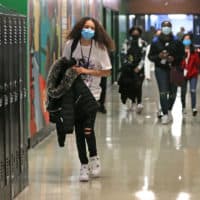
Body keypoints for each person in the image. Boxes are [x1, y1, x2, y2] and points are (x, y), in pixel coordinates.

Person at [62, 17, 114, 182]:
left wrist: (86, 71)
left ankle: (94, 157)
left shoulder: (100, 47)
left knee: (87, 128)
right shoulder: (71, 45)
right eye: (86, 27)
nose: (88, 30)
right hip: (74, 94)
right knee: (78, 130)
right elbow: (63, 66)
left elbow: (107, 72)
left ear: (96, 30)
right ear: (80, 28)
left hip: (93, 94)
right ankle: (83, 165)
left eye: (92, 28)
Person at [148, 21, 185, 124]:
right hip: (161, 69)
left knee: (173, 92)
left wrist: (174, 58)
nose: (166, 28)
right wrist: (159, 57)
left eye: (168, 26)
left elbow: (183, 55)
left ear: (171, 28)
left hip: (175, 68)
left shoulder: (177, 41)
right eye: (164, 26)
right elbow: (150, 56)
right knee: (163, 91)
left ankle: (169, 109)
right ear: (161, 28)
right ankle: (164, 114)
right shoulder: (156, 41)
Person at [119, 26, 147, 113]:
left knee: (138, 85)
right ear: (130, 32)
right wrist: (127, 64)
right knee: (131, 85)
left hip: (139, 68)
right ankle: (132, 101)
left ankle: (139, 102)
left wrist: (139, 67)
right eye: (133, 31)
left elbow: (144, 56)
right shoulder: (127, 42)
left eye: (137, 31)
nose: (135, 33)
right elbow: (123, 54)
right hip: (129, 68)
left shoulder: (143, 43)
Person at [180, 33, 200, 116]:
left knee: (193, 90)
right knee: (183, 92)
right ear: (183, 40)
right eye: (185, 39)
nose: (187, 41)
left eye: (188, 39)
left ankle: (193, 107)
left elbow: (198, 63)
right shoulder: (180, 51)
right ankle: (183, 107)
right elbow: (178, 63)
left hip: (193, 73)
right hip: (182, 74)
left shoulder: (194, 51)